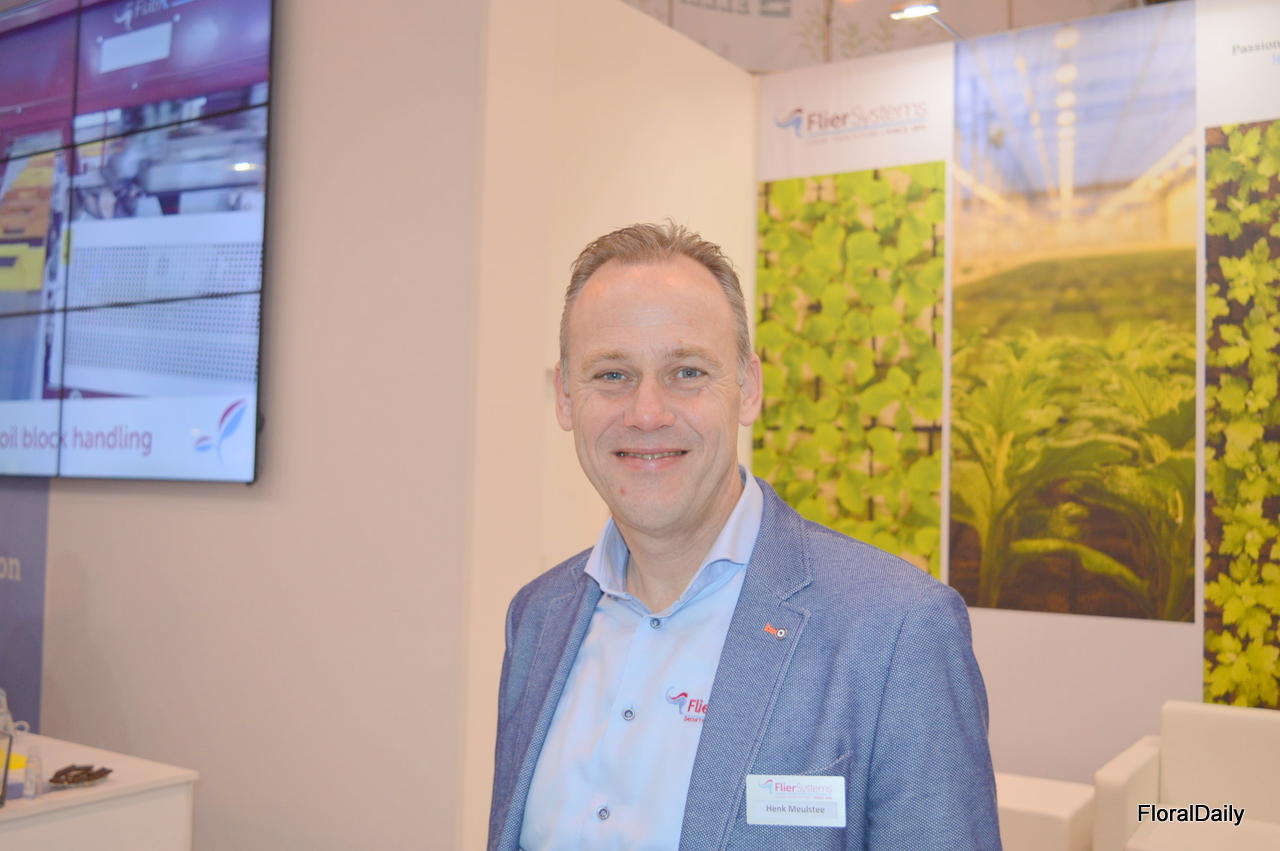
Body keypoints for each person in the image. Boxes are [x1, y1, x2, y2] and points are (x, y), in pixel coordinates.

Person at [488, 222, 1000, 850]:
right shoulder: (537, 618)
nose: (647, 413)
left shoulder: (897, 631)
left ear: (748, 389)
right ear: (566, 397)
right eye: (612, 375)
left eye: (687, 371)